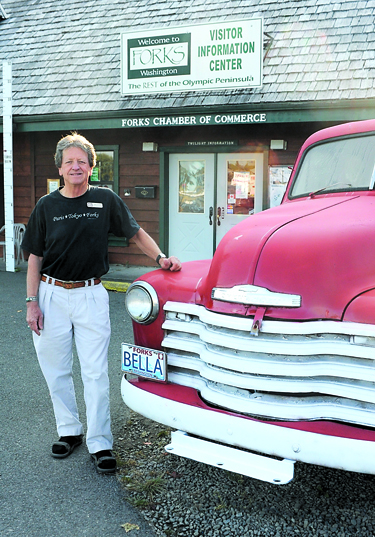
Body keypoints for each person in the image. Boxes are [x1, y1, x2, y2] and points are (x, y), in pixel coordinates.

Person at [21, 133, 181, 474]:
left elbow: (135, 232)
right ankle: (69, 431)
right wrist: (32, 302)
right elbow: (34, 258)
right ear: (60, 169)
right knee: (57, 370)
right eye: (69, 162)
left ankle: (100, 442)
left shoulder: (105, 200)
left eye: (82, 161)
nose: (75, 166)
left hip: (91, 294)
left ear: (92, 167)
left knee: (94, 372)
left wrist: (160, 258)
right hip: (51, 295)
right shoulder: (46, 206)